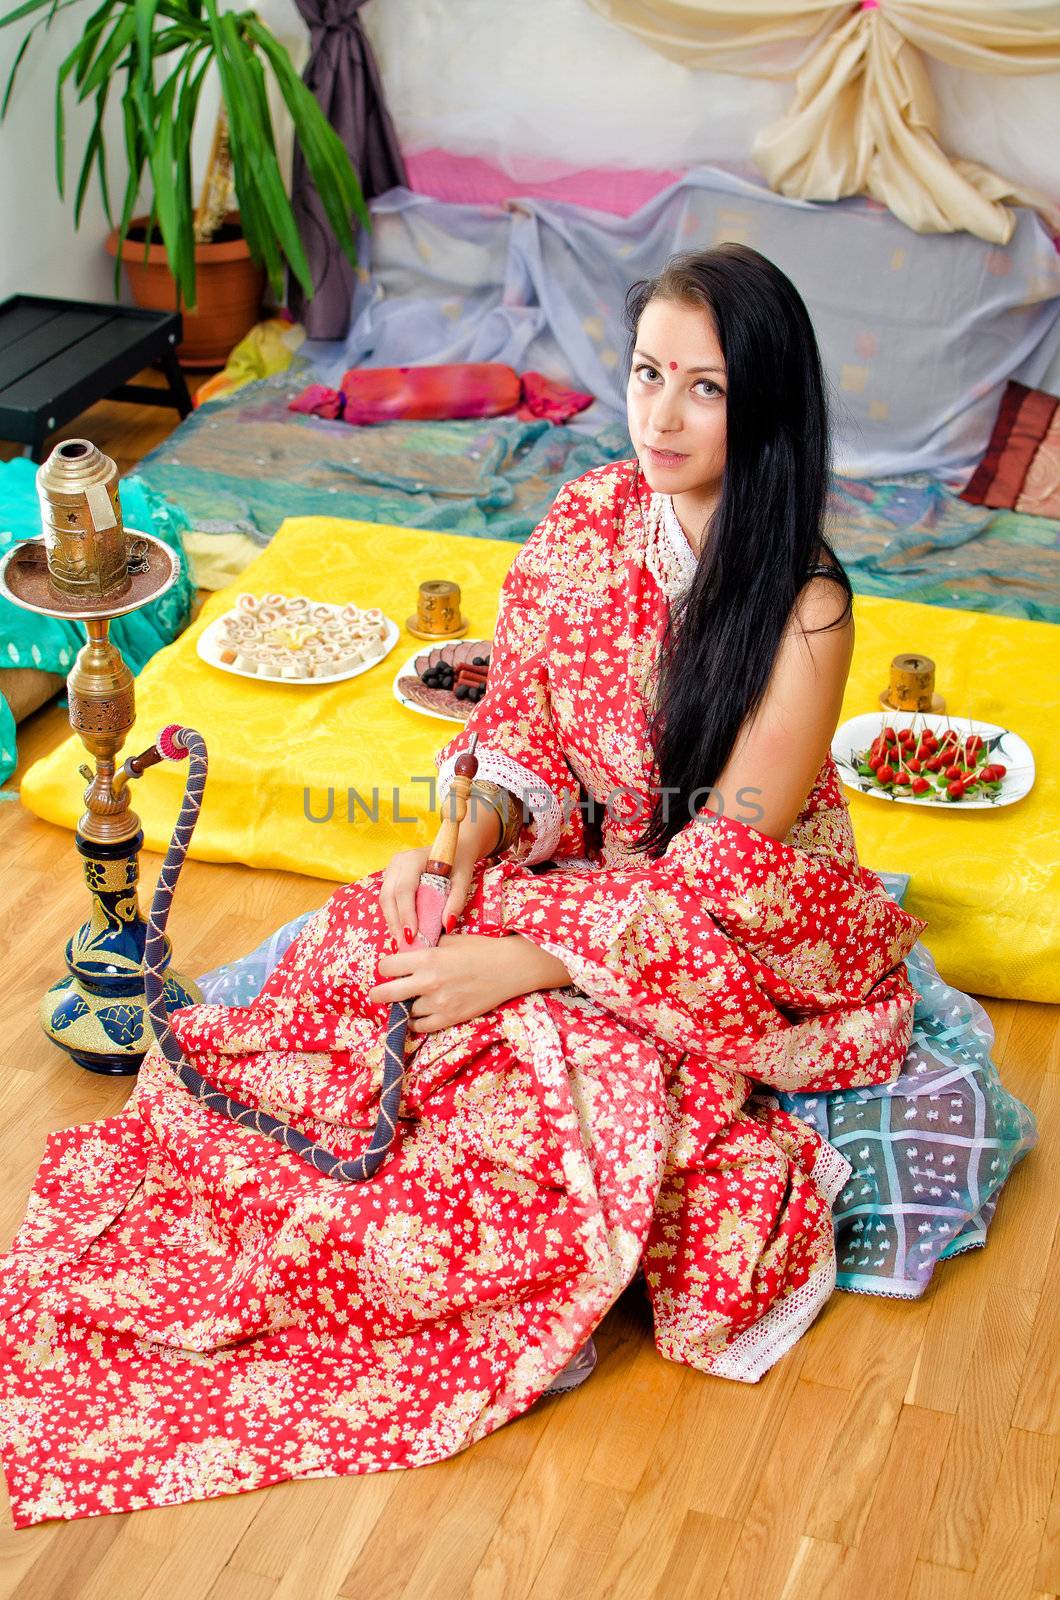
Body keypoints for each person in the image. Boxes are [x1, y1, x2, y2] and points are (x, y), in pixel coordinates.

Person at [0, 246, 1030, 1529]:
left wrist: (535, 957)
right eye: (648, 373)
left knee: (507, 1098)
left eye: (702, 389)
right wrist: (474, 833)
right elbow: (525, 733)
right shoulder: (582, 524)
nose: (658, 415)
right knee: (360, 973)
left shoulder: (803, 607)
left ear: (765, 403)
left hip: (729, 920)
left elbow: (729, 858)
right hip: (579, 872)